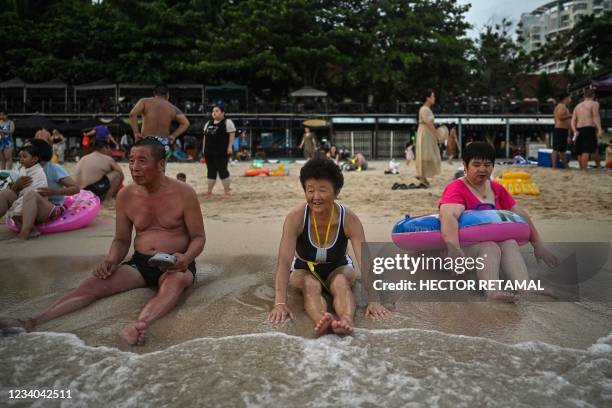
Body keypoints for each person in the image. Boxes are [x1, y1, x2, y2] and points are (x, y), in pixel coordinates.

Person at [0, 138, 205, 346]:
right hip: (141, 263)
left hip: (176, 263)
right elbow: (122, 240)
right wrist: (111, 260)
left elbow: (199, 237)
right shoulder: (126, 195)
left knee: (173, 284)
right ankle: (31, 322)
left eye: (142, 161)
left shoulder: (183, 193)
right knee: (91, 285)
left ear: (161, 164)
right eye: (131, 161)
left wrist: (186, 258)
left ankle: (139, 325)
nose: (134, 167)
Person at [267, 158, 390, 336]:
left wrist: (374, 299)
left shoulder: (349, 220)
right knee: (310, 285)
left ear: (336, 191)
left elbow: (365, 260)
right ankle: (321, 320)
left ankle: (347, 320)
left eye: (322, 190)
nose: (316, 197)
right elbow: (284, 262)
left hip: (338, 266)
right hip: (304, 269)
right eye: (310, 190)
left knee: (340, 283)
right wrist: (279, 303)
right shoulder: (295, 218)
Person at [439, 142, 558, 302]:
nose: (483, 169)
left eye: (487, 165)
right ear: (465, 166)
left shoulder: (496, 189)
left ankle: (525, 288)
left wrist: (538, 245)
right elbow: (448, 216)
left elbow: (521, 214)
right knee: (490, 245)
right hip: (460, 253)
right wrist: (453, 249)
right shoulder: (456, 188)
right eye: (476, 164)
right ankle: (492, 292)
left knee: (509, 242)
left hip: (488, 256)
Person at [0, 139, 80, 240]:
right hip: (26, 206)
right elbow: (16, 192)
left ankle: (24, 234)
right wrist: (16, 186)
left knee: (31, 194)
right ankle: (31, 229)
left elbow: (76, 188)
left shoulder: (53, 168)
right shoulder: (24, 168)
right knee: (5, 193)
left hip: (47, 208)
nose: (22, 157)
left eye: (28, 150)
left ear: (36, 156)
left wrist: (54, 191)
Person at [129, 84, 190, 153]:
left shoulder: (144, 102)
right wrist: (173, 135)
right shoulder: (173, 108)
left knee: (146, 162)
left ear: (154, 93)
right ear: (168, 95)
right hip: (163, 142)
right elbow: (186, 123)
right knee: (161, 163)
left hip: (147, 139)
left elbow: (132, 114)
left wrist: (136, 133)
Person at [5, 144, 48, 232]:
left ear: (35, 159)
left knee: (17, 214)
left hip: (35, 199)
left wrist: (21, 197)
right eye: (20, 157)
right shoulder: (24, 169)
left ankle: (30, 231)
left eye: (25, 157)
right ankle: (27, 230)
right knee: (14, 214)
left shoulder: (38, 171)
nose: (21, 159)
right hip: (24, 196)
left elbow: (37, 188)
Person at [202, 105, 235, 196]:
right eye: (213, 111)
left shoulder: (227, 122)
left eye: (217, 111)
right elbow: (205, 137)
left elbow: (232, 135)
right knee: (211, 170)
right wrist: (203, 149)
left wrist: (230, 147)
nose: (214, 113)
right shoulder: (208, 123)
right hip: (209, 151)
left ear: (223, 113)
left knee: (222, 170)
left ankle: (227, 190)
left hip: (221, 151)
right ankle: (209, 191)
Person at [571, 89, 603, 171]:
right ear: (593, 96)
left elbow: (573, 120)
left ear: (584, 96)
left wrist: (574, 130)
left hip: (578, 129)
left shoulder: (577, 106)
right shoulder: (594, 103)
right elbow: (596, 116)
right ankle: (584, 169)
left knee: (580, 150)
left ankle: (582, 168)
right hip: (588, 128)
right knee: (586, 150)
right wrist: (599, 129)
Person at [415, 90, 441, 188]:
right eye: (433, 96)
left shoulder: (427, 109)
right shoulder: (424, 109)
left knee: (427, 154)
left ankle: (423, 176)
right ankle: (422, 177)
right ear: (428, 98)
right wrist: (436, 134)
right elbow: (428, 123)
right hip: (425, 133)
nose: (434, 98)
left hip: (427, 133)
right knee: (425, 154)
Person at [552, 93, 572, 169]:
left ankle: (565, 166)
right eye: (569, 97)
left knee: (563, 150)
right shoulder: (561, 106)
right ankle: (554, 166)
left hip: (563, 130)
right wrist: (571, 115)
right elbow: (560, 117)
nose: (570, 99)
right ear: (565, 98)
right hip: (559, 129)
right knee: (556, 149)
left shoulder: (564, 107)